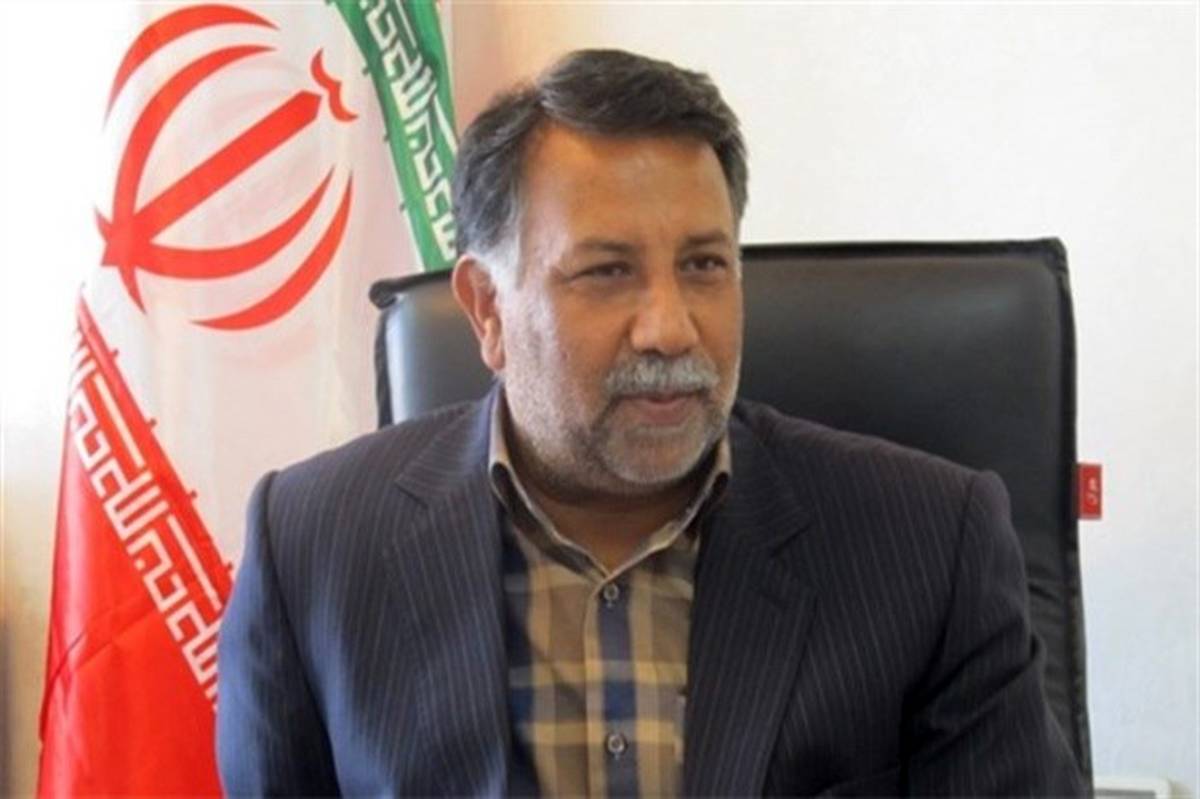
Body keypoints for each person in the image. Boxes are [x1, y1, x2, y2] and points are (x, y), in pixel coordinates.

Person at [216, 48, 1084, 796]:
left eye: (704, 265)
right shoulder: (314, 547)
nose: (670, 328)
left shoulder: (928, 542)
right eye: (606, 272)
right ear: (486, 308)